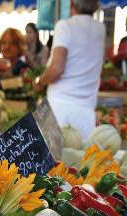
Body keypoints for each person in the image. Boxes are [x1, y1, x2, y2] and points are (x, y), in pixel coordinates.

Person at [33, 0, 105, 140]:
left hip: (60, 109)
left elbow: (56, 69)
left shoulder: (64, 26)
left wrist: (39, 81)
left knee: (54, 159)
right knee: (80, 159)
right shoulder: (100, 29)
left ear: (71, 5)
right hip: (86, 112)